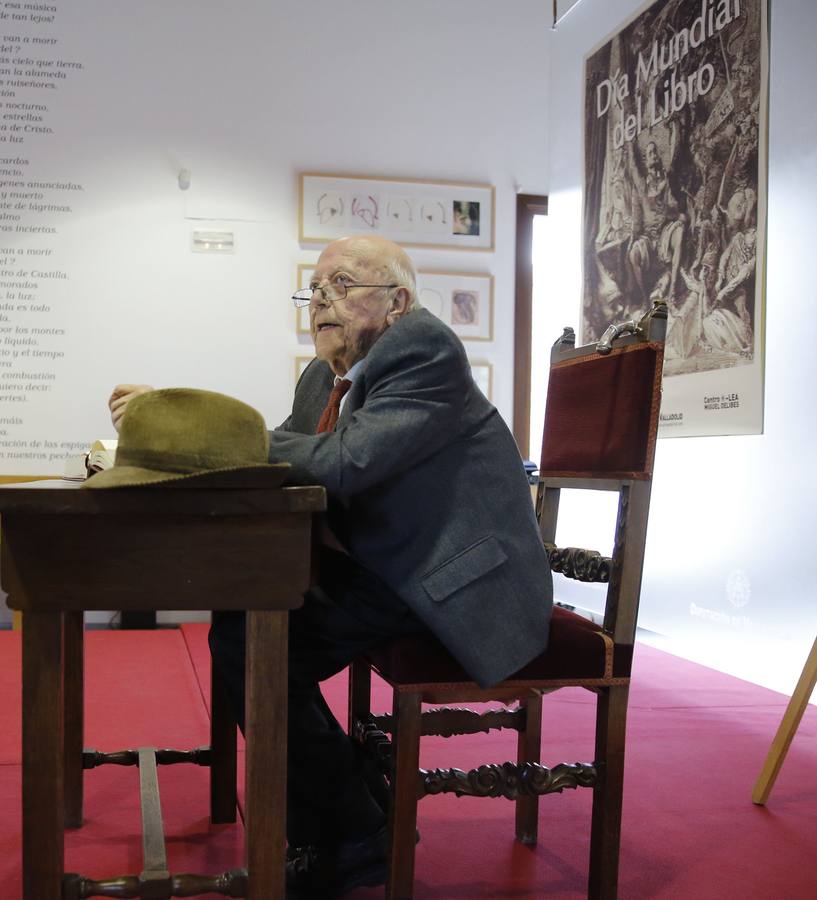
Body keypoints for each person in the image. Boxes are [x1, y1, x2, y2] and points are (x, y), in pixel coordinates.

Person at [108, 235, 552, 898]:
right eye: (312, 291)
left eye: (341, 284)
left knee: (256, 646)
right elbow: (291, 470)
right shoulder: (322, 375)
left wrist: (187, 425)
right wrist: (185, 435)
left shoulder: (423, 350)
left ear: (397, 301)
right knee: (244, 626)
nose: (321, 302)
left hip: (453, 577)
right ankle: (353, 809)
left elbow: (341, 464)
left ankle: (351, 832)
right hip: (387, 563)